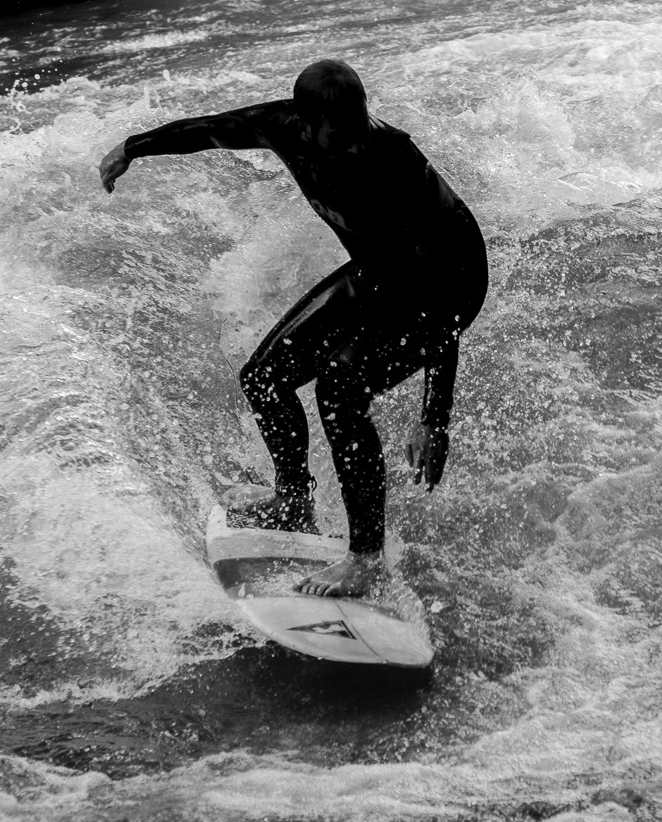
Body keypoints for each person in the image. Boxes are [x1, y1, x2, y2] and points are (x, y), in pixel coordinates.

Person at [98, 60, 487, 597]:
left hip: (447, 280)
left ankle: (366, 557)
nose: (351, 144)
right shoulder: (281, 125)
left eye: (356, 128)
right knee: (264, 377)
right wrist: (133, 147)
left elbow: (440, 296)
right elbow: (210, 129)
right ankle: (294, 499)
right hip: (381, 270)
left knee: (340, 391)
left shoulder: (394, 158)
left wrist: (434, 416)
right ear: (305, 124)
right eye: (337, 135)